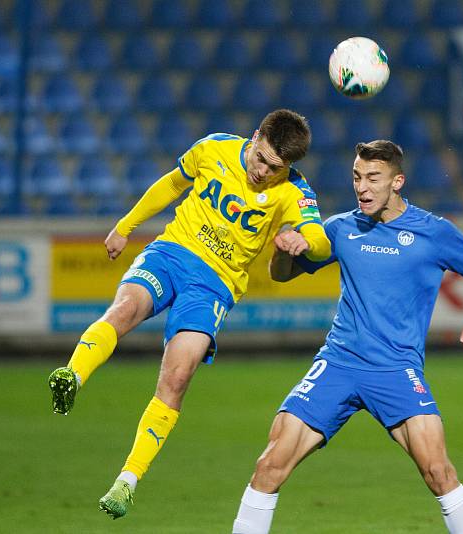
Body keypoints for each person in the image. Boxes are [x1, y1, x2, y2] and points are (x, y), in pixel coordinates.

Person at [47, 109, 331, 519]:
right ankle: (72, 375)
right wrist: (125, 226)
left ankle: (127, 481)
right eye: (261, 158)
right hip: (171, 253)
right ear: (255, 137)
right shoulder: (213, 148)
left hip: (214, 285)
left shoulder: (294, 191)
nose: (262, 172)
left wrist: (303, 242)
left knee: (178, 375)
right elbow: (172, 184)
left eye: (275, 168)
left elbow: (321, 240)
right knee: (125, 308)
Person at [231, 140, 463, 534]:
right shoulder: (340, 228)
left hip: (396, 370)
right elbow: (282, 273)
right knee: (270, 465)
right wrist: (284, 245)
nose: (362, 187)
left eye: (373, 178)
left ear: (397, 181)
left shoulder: (434, 232)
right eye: (357, 177)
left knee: (437, 471)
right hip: (338, 364)